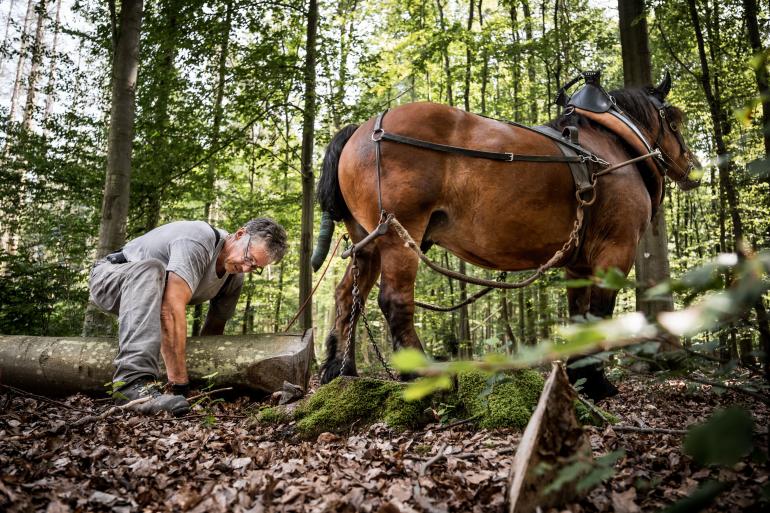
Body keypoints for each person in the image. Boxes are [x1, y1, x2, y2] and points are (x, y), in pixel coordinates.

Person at [88, 218, 288, 415]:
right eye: (248, 258)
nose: (246, 268)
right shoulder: (198, 240)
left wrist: (206, 377)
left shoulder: (233, 278)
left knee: (154, 275)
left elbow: (214, 330)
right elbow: (170, 311)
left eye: (255, 267)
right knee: (151, 269)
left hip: (145, 297)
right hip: (111, 276)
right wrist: (179, 384)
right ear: (240, 234)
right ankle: (131, 384)